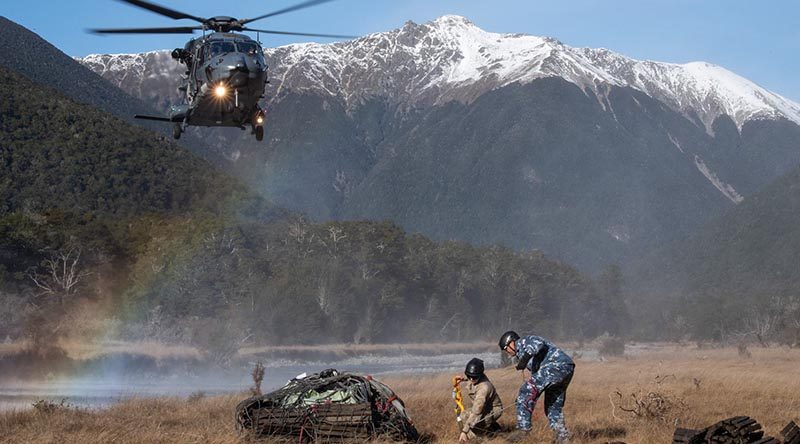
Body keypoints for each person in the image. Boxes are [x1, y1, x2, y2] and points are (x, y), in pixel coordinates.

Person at [498, 330, 575, 443]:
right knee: (552, 406)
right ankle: (563, 437)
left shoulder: (523, 341)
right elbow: (537, 375)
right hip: (566, 369)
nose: (507, 352)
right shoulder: (523, 353)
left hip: (556, 366)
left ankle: (523, 429)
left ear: (511, 342)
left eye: (506, 348)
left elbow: (539, 343)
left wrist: (524, 360)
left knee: (525, 392)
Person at [456, 357, 503, 442]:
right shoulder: (475, 377)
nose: (471, 379)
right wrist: (463, 379)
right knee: (463, 415)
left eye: (474, 377)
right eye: (469, 376)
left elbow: (476, 411)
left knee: (473, 429)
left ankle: (485, 436)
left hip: (494, 409)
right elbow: (472, 377)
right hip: (484, 407)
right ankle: (492, 428)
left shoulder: (484, 388)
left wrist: (464, 431)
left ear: (480, 375)